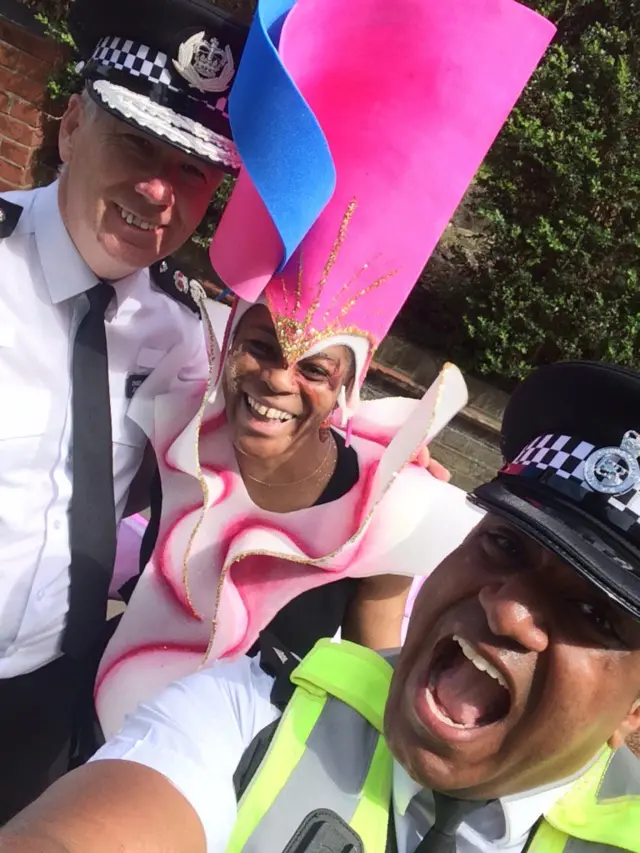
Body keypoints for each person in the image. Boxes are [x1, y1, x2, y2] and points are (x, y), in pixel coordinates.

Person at [92, 0, 555, 744]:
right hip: (90, 744)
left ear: (347, 387)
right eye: (262, 347)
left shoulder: (386, 511)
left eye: (315, 367)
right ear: (228, 341)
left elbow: (368, 706)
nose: (277, 380)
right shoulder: (177, 420)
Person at [6, 369, 640, 851]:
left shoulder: (388, 497)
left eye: (592, 611)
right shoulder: (251, 716)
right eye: (504, 545)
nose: (507, 610)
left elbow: (378, 620)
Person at [0, 0, 251, 821]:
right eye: (138, 143)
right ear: (72, 125)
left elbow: (235, 482)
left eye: (193, 170)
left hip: (46, 698)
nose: (158, 190)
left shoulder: (181, 333)